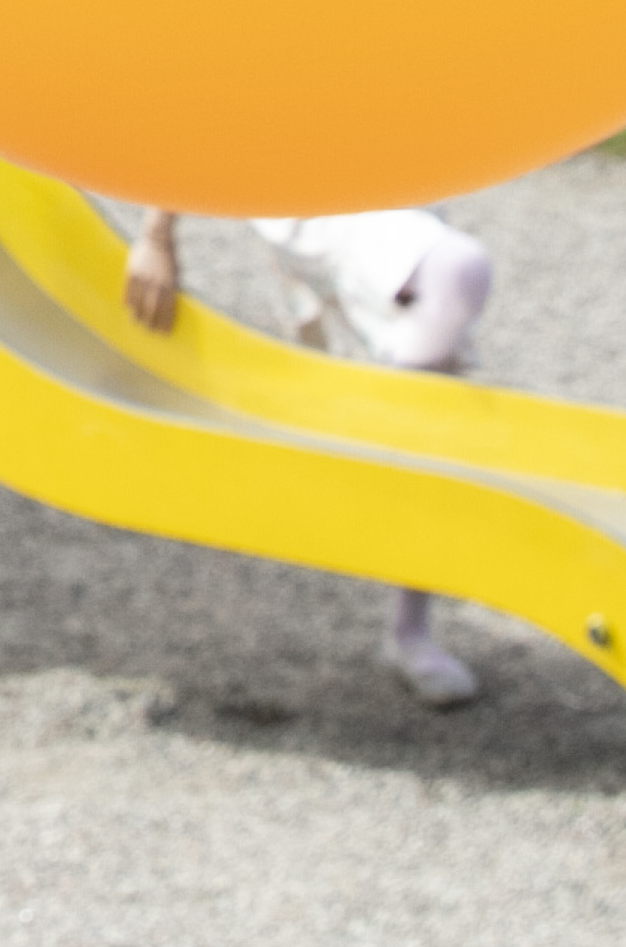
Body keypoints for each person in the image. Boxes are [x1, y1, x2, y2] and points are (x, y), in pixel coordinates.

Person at [116, 204, 504, 705]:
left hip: (394, 187)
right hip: (327, 199)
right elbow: (202, 126)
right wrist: (156, 235)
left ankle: (409, 631)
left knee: (433, 400)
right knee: (457, 269)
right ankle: (374, 447)